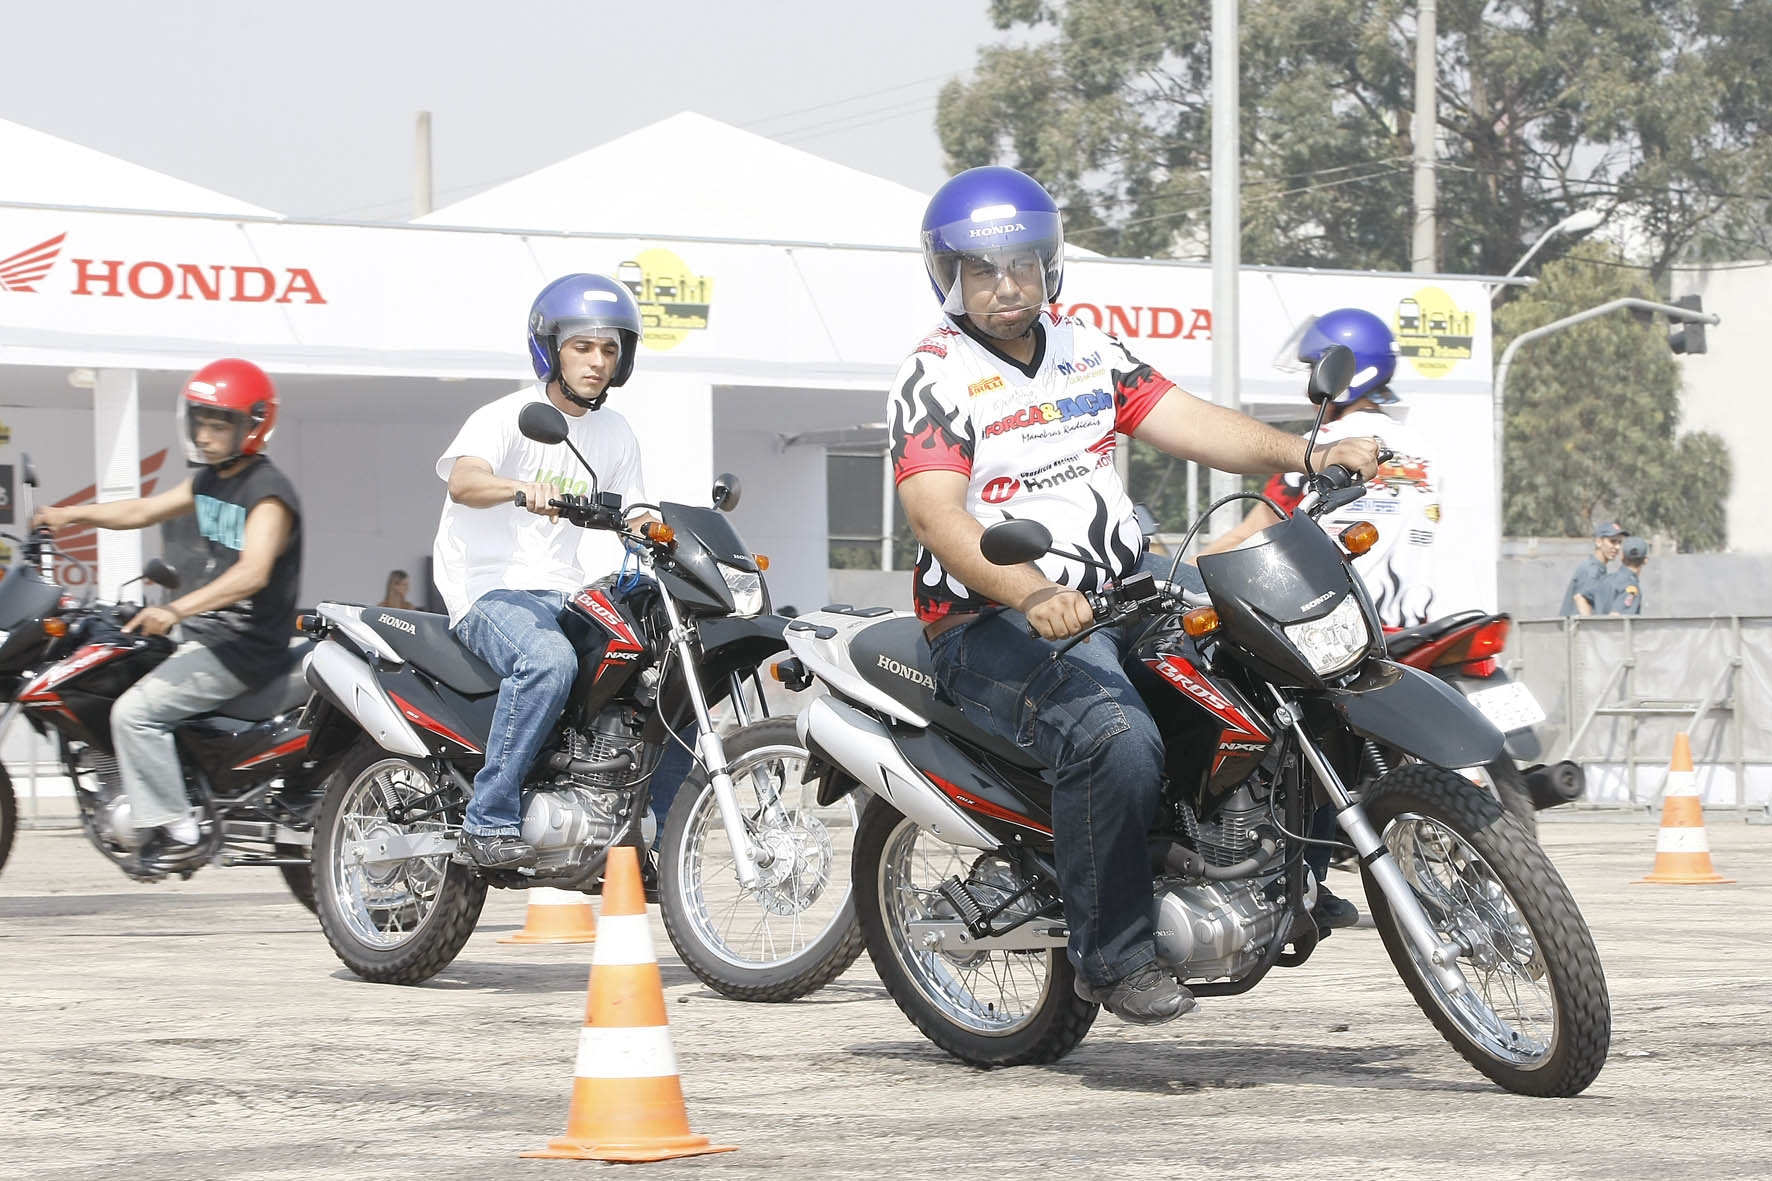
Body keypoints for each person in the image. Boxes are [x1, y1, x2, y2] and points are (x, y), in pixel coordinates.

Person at [891, 166, 1379, 1026]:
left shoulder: (1086, 348)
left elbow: (1189, 420)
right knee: (1113, 734)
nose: (1006, 287)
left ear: (1049, 264)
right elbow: (936, 515)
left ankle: (1289, 870)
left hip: (1122, 592)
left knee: (1272, 667)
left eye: (1021, 266)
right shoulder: (934, 378)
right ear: (950, 279)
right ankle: (1113, 957)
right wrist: (1030, 588)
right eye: (981, 271)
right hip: (993, 619)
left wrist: (1305, 454)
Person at [1193, 306, 1431, 932]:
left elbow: (1257, 529)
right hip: (1404, 619)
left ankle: (1297, 880)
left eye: (1312, 368)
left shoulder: (1332, 451)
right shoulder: (1416, 445)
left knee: (1283, 728)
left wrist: (1189, 574)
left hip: (1322, 617)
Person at [33, 358, 302, 870]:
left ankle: (178, 827)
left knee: (135, 713)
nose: (204, 432)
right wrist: (71, 515)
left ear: (254, 423)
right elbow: (140, 511)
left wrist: (175, 609)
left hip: (241, 647)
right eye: (200, 420)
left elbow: (253, 573)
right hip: (207, 636)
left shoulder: (268, 492)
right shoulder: (211, 481)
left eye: (218, 422)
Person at [433, 273, 654, 870]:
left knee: (652, 668)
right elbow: (464, 480)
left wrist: (668, 531)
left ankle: (648, 830)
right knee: (548, 660)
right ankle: (490, 817)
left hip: (562, 590)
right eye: (583, 347)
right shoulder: (509, 416)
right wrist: (519, 488)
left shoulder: (614, 432)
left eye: (610, 349)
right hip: (489, 587)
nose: (598, 361)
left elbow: (635, 509)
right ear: (551, 348)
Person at [1198, 307, 1441, 629]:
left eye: (1317, 371)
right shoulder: (1421, 450)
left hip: (1337, 633)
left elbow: (1250, 535)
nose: (1309, 389)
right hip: (1411, 629)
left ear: (1345, 375)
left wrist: (1186, 573)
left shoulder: (1320, 447)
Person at [1561, 523, 1625, 616]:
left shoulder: (1598, 567)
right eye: (1612, 541)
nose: (1617, 547)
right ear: (1598, 542)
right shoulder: (1592, 571)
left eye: (1620, 542)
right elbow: (1582, 605)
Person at [1598, 536, 1647, 615]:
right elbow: (1617, 619)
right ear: (1645, 561)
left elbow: (1580, 597)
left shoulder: (1605, 579)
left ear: (1622, 557)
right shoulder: (1631, 588)